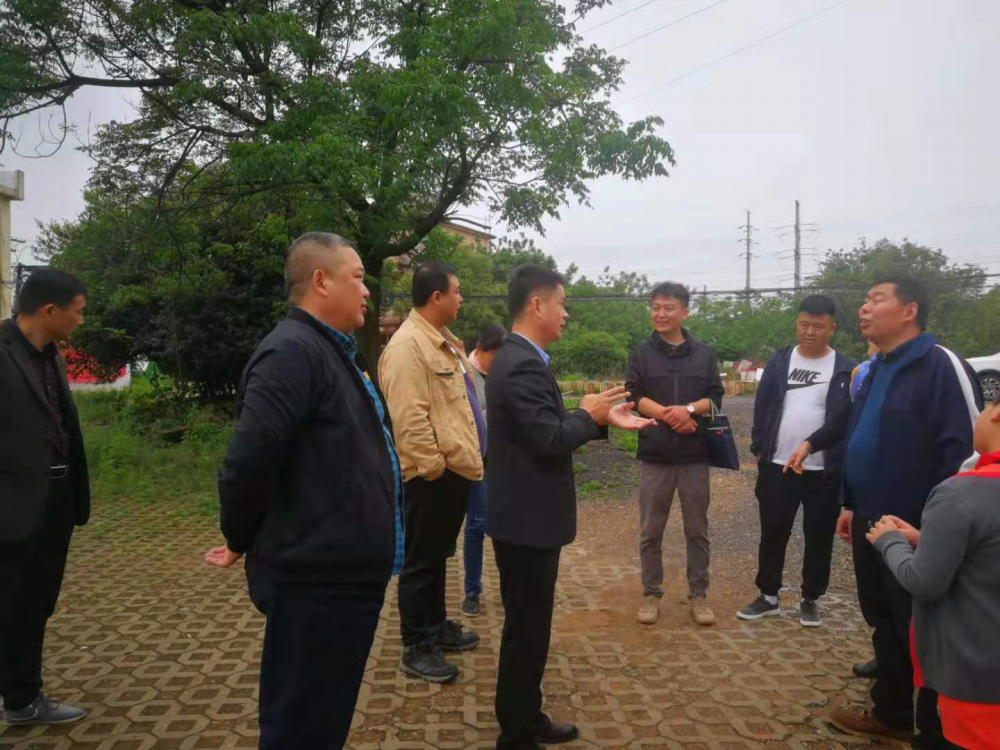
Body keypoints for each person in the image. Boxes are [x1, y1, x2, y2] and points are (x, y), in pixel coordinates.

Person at [205, 233, 401, 749]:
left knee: (323, 720)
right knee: (301, 726)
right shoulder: (292, 353)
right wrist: (241, 537)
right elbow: (247, 464)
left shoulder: (333, 351)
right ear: (320, 281)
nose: (367, 290)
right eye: (357, 277)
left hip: (342, 576)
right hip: (316, 583)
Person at [783, 277, 982, 746]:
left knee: (923, 627)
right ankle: (891, 712)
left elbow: (971, 454)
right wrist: (852, 503)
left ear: (909, 310)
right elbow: (857, 432)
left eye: (876, 299)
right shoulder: (876, 368)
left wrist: (938, 528)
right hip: (871, 520)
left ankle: (935, 730)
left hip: (918, 528)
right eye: (865, 300)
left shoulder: (940, 365)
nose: (864, 308)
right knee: (883, 617)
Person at [487, 264, 656, 749]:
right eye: (561, 304)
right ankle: (516, 734)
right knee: (526, 629)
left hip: (525, 519)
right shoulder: (520, 362)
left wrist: (598, 418)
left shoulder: (523, 357)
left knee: (530, 627)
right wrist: (587, 413)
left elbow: (544, 424)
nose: (566, 314)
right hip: (526, 522)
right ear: (537, 304)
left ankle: (526, 715)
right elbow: (548, 439)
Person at [866, 387, 1000, 750]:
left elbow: (923, 581)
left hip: (972, 682)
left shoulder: (959, 493)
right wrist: (928, 540)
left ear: (997, 414)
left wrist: (890, 542)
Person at [379, 261, 485, 683]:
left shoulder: (440, 340)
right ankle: (416, 646)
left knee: (437, 556)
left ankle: (436, 627)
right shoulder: (407, 347)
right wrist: (435, 470)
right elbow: (409, 421)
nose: (461, 299)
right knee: (421, 562)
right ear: (436, 297)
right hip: (430, 478)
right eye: (456, 292)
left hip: (452, 473)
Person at [0, 269, 89, 727]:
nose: (81, 320)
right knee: (10, 605)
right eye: (78, 311)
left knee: (36, 604)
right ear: (50, 310)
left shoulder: (52, 356)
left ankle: (22, 699)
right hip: (11, 509)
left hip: (54, 501)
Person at [739, 295, 855, 627]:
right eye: (804, 324)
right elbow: (762, 406)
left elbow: (844, 419)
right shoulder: (780, 361)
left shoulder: (846, 368)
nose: (810, 332)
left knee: (819, 537)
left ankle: (810, 598)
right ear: (796, 324)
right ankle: (768, 596)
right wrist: (759, 447)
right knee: (773, 532)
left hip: (823, 470)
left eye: (818, 326)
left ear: (832, 328)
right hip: (778, 465)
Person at [624, 281, 725, 626]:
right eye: (655, 307)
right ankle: (651, 594)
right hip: (655, 455)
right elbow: (634, 396)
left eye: (668, 308)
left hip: (695, 457)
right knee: (651, 530)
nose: (660, 314)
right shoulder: (641, 353)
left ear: (684, 312)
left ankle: (699, 595)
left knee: (697, 530)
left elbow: (715, 398)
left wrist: (688, 410)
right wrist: (671, 415)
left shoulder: (704, 353)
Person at [462, 323, 507, 618]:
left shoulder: (502, 373)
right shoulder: (463, 374)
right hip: (476, 460)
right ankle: (472, 591)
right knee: (477, 525)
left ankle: (509, 587)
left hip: (503, 460)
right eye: (495, 356)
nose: (499, 363)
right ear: (480, 350)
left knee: (505, 525)